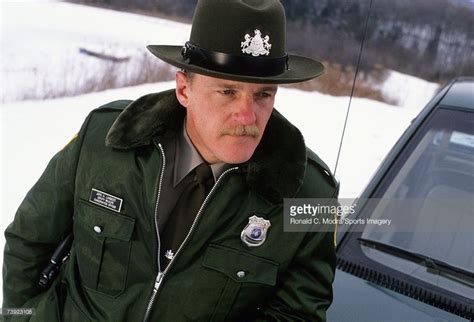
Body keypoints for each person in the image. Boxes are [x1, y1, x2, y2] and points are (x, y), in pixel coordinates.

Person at [3, 0, 339, 321]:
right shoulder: (104, 138)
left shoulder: (309, 195)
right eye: (227, 92)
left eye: (263, 95)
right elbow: (28, 242)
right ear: (184, 89)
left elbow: (298, 314)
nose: (248, 115)